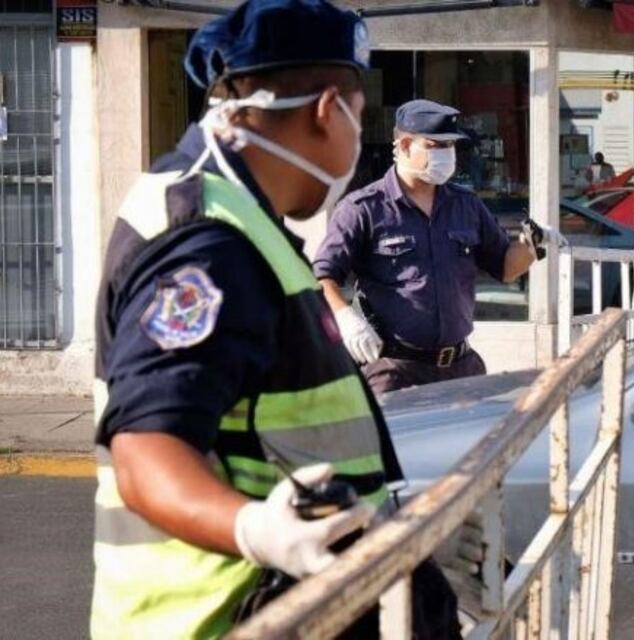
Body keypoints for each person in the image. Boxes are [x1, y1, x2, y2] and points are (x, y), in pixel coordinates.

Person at [90, 2, 458, 638]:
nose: (355, 142)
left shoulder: (235, 212)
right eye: (358, 116)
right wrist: (257, 531)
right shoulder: (208, 242)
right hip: (224, 616)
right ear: (327, 112)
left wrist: (391, 530)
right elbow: (146, 446)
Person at [313, 98, 557, 394]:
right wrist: (344, 317)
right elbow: (322, 276)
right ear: (405, 146)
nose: (446, 154)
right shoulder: (363, 208)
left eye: (450, 145)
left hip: (461, 368)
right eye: (435, 146)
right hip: (395, 370)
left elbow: (506, 268)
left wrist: (532, 246)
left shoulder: (466, 205)